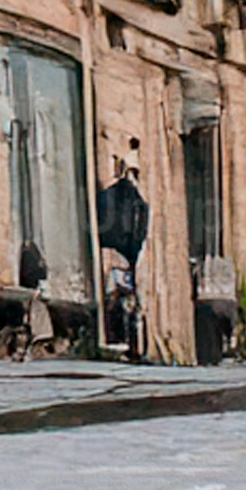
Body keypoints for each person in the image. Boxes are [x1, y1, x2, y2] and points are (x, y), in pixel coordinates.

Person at [95, 154, 154, 361]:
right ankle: (129, 345)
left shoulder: (109, 196)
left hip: (111, 250)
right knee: (127, 301)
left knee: (120, 299)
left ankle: (126, 343)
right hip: (122, 253)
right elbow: (141, 224)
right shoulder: (134, 199)